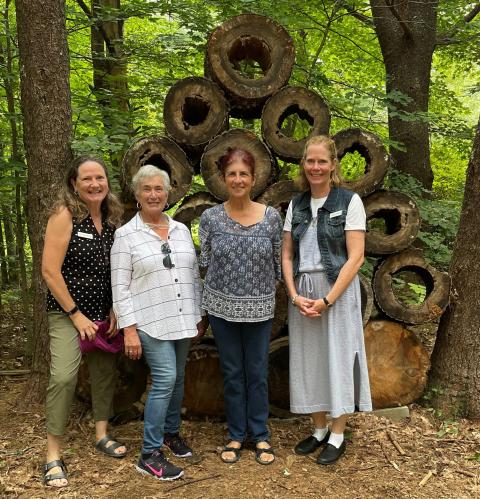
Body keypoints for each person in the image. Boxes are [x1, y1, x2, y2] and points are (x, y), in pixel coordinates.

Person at [111, 164, 207, 481]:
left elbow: (192, 276)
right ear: (137, 194)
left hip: (181, 318)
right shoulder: (126, 236)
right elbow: (120, 287)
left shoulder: (180, 230)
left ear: (167, 194)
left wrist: (198, 315)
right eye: (147, 189)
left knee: (178, 378)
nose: (154, 194)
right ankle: (149, 453)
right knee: (165, 378)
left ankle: (170, 433)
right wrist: (128, 329)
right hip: (148, 321)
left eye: (159, 189)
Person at [281, 135, 372, 465]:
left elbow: (356, 257)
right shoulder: (297, 204)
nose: (315, 167)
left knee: (338, 357)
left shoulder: (350, 202)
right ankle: (318, 428)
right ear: (303, 164)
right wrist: (294, 295)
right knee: (310, 360)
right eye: (310, 161)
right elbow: (288, 255)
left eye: (322, 161)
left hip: (337, 290)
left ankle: (337, 433)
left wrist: (328, 300)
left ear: (333, 165)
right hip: (303, 291)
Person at [41, 156, 126, 488]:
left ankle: (101, 433)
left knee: (104, 373)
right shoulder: (65, 215)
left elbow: (118, 270)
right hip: (68, 313)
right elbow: (50, 270)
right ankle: (52, 454)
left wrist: (117, 308)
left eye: (100, 178)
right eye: (87, 179)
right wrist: (76, 316)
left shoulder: (112, 219)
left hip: (105, 314)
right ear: (74, 184)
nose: (94, 184)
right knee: (63, 377)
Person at [199, 148, 282, 465]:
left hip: (260, 310)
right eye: (232, 173)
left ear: (253, 178)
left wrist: (258, 294)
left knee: (257, 373)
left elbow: (278, 264)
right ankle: (236, 434)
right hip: (221, 310)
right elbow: (204, 265)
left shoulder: (271, 218)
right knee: (232, 373)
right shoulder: (210, 218)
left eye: (243, 174)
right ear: (223, 178)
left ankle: (260, 435)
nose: (237, 179)